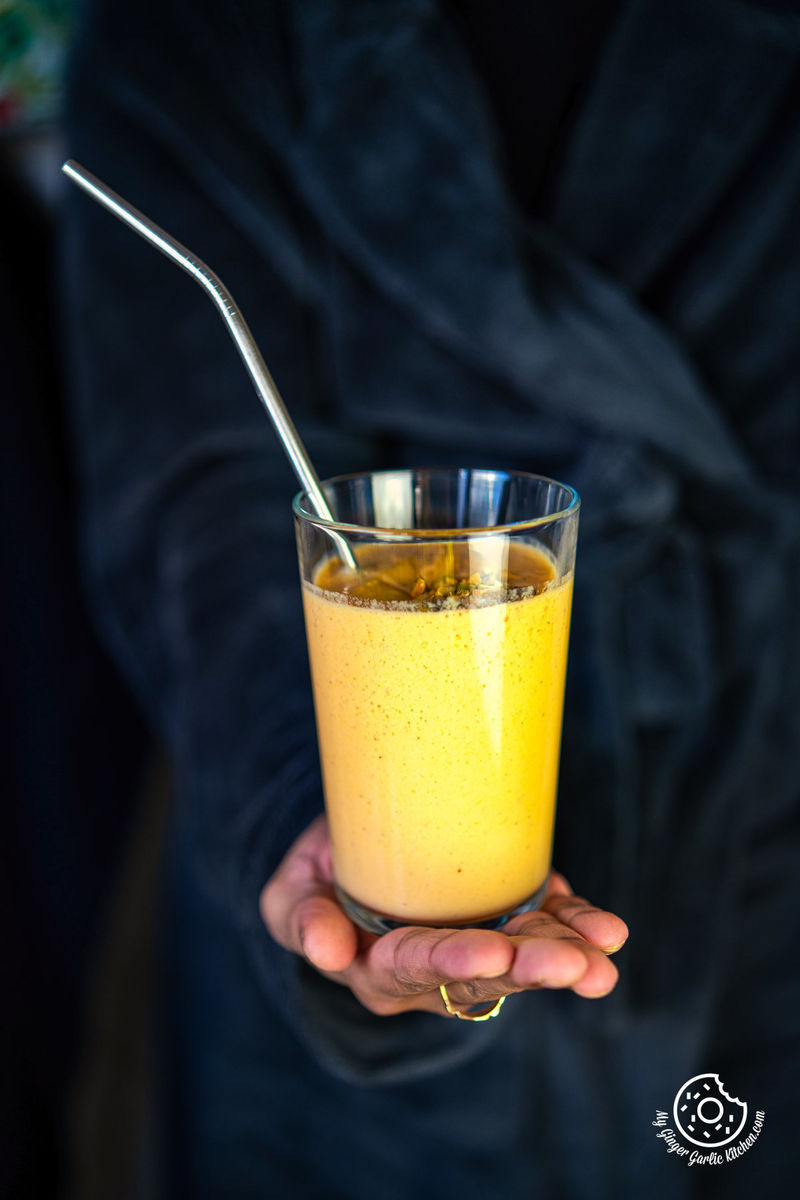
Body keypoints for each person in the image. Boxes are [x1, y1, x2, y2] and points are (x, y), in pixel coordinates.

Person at [60, 0, 800, 1196]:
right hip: (331, 834)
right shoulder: (194, 35)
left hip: (743, 807)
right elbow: (197, 487)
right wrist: (306, 806)